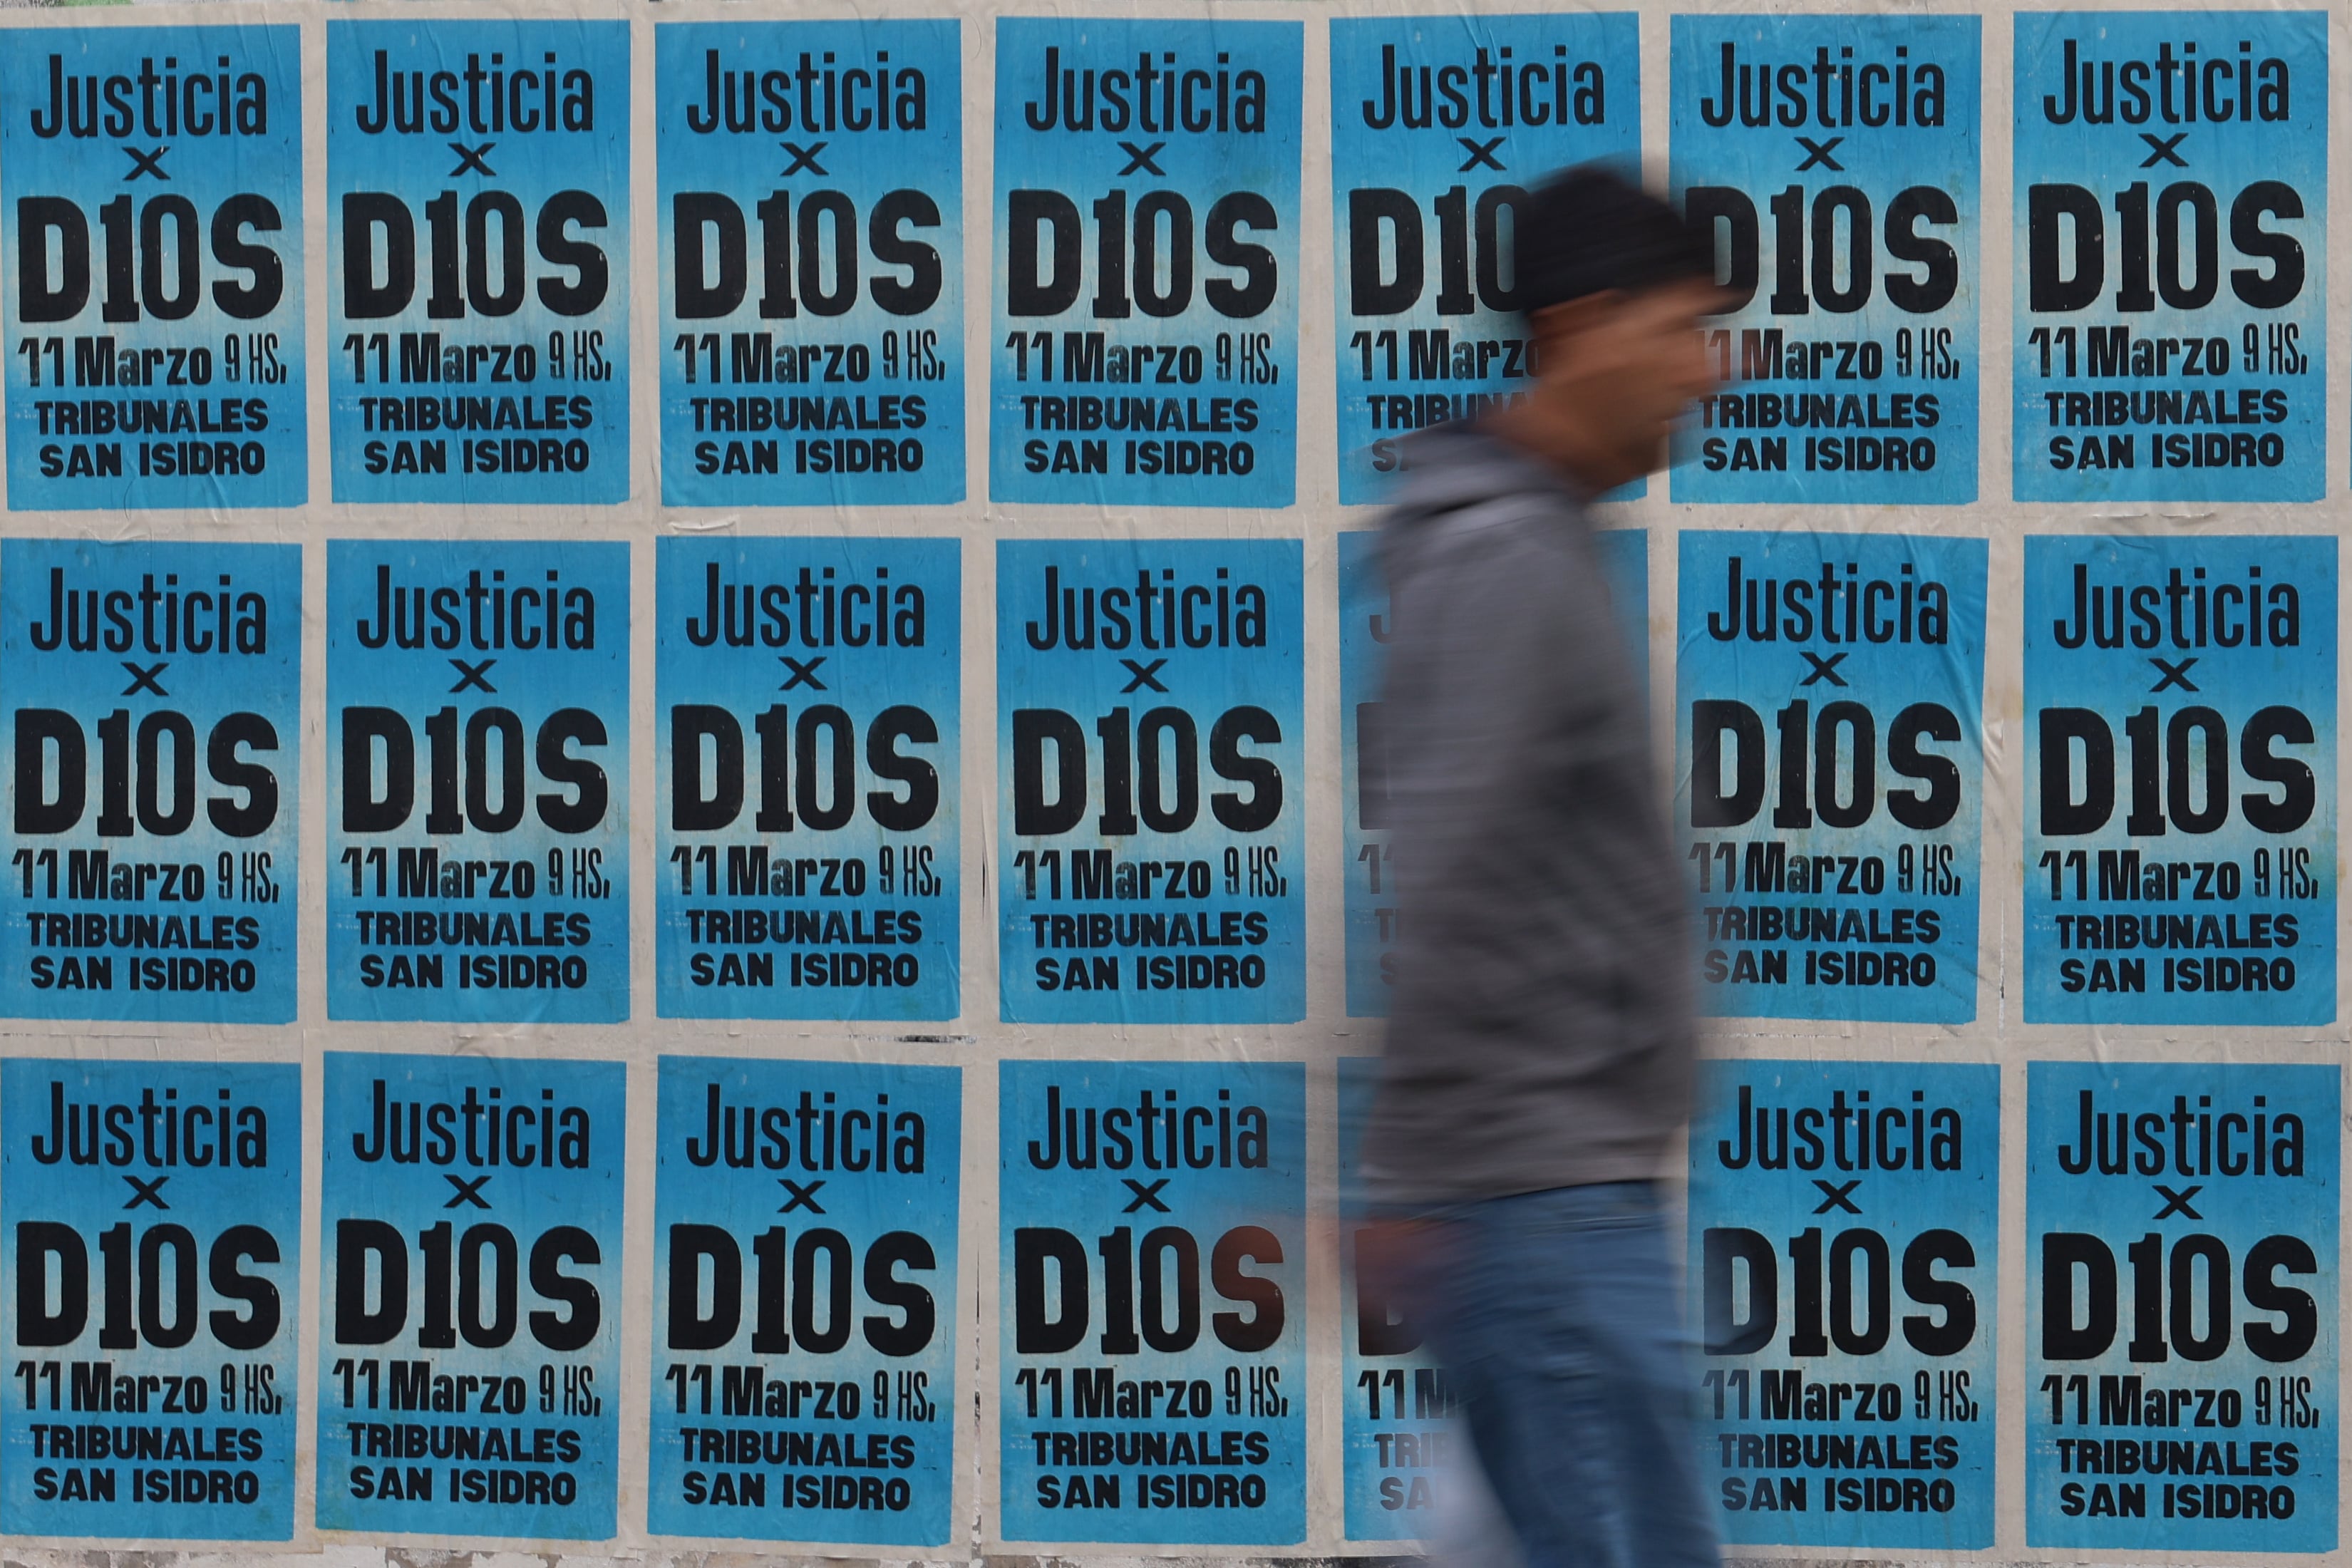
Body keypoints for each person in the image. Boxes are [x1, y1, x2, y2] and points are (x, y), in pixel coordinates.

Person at [1360, 163, 1724, 1568]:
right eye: (1685, 326)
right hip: (1546, 1221)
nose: (1710, 369)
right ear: (1584, 326)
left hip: (1559, 1209)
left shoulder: (1530, 539)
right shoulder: (1510, 556)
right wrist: (1399, 1178)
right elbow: (1449, 872)